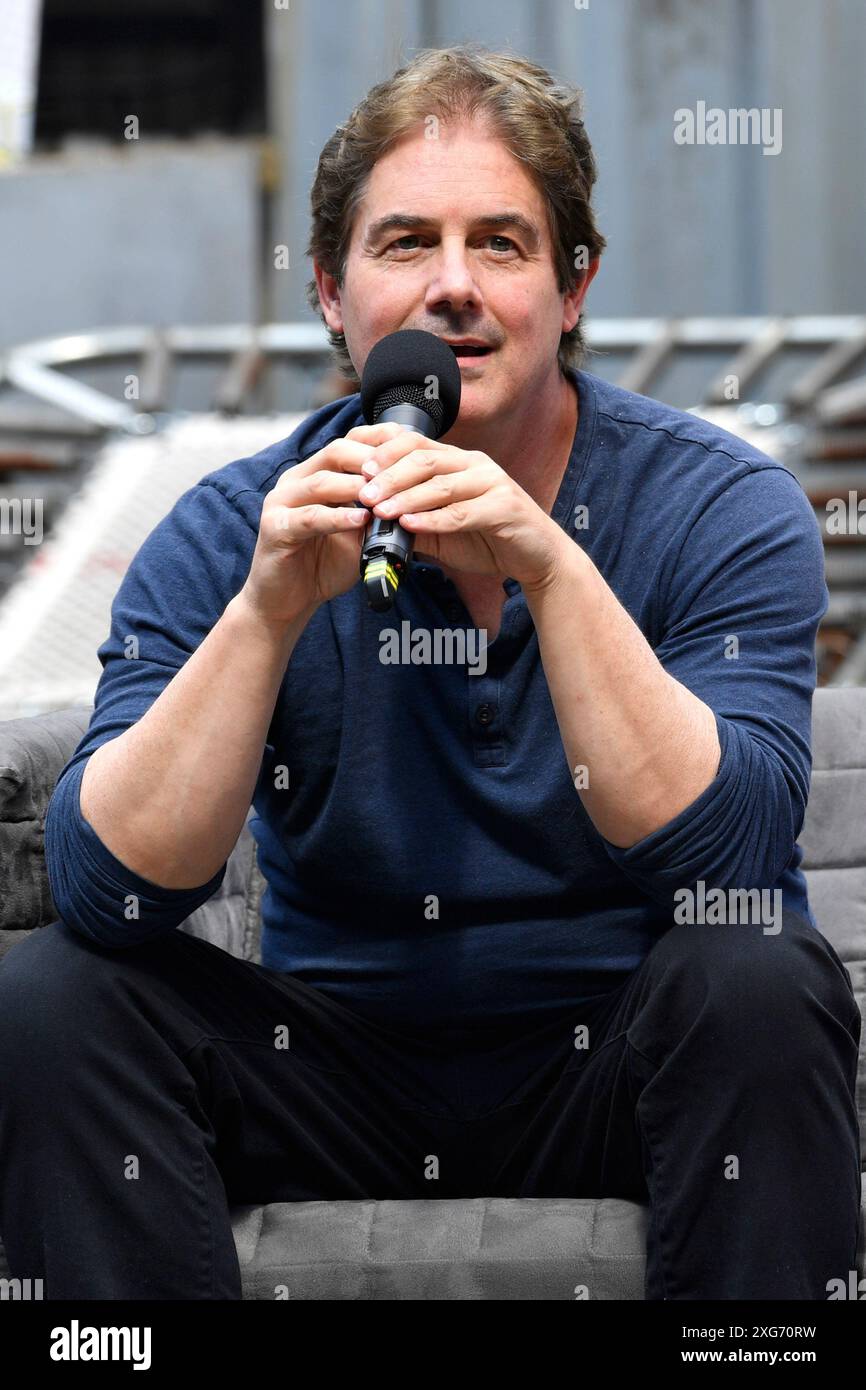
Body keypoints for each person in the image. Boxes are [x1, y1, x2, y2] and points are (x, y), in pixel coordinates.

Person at [0, 44, 860, 1302]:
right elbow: (107, 893)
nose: (453, 288)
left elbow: (725, 852)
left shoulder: (719, 506)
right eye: (404, 243)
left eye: (502, 245)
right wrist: (267, 608)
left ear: (573, 289)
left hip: (622, 1060)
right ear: (331, 297)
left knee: (757, 971)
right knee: (49, 996)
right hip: (328, 1066)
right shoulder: (234, 524)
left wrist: (551, 569)